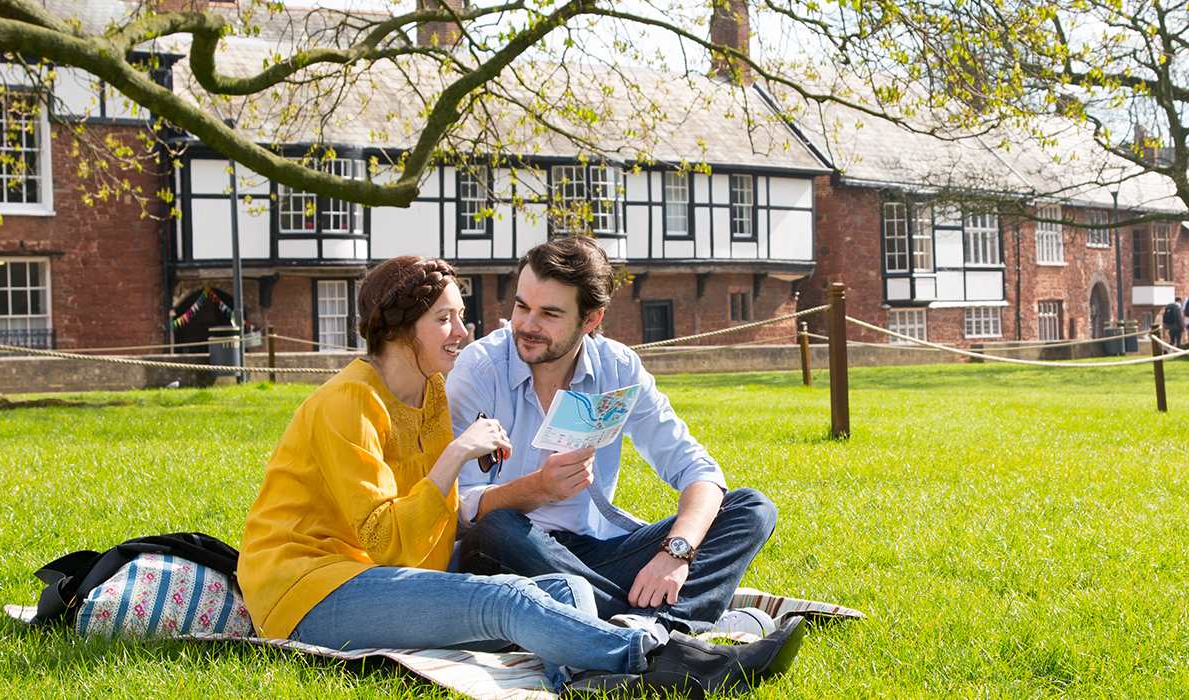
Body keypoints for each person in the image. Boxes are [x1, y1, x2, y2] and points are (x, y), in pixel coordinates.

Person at [237, 255, 804, 695]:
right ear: (399, 328)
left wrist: (676, 551)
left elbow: (418, 540)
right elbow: (388, 540)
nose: (465, 331)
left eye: (461, 316)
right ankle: (674, 661)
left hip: (397, 574)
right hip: (312, 587)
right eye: (445, 319)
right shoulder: (349, 403)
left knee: (567, 590)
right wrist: (460, 460)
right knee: (507, 593)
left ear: (591, 319)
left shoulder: (433, 391)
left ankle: (581, 679)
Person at [448, 237, 779, 637]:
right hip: (511, 550)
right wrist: (536, 489)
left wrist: (676, 553)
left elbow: (697, 470)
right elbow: (458, 506)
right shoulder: (480, 368)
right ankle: (665, 627)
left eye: (549, 313)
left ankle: (643, 630)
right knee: (497, 528)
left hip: (594, 552)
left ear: (590, 320)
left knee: (751, 508)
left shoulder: (618, 368)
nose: (527, 325)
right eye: (521, 306)